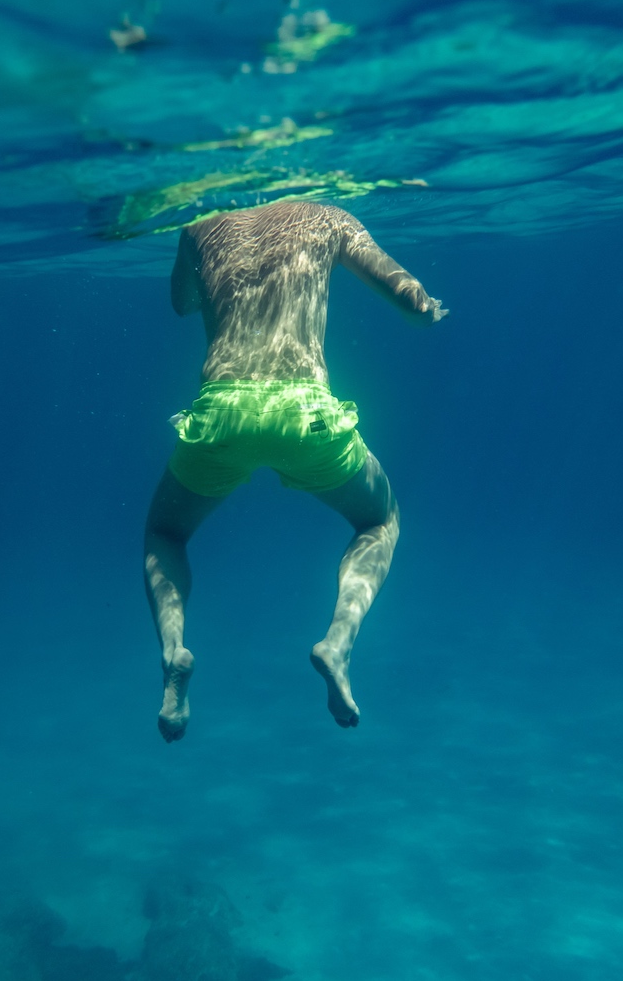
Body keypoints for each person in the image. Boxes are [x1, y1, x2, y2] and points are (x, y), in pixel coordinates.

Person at [143, 200, 446, 742]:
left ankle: (173, 650)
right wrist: (427, 313)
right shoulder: (327, 216)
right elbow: (409, 298)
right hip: (305, 415)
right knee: (380, 520)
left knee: (165, 532)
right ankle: (337, 643)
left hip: (222, 413)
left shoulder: (200, 224)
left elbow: (180, 304)